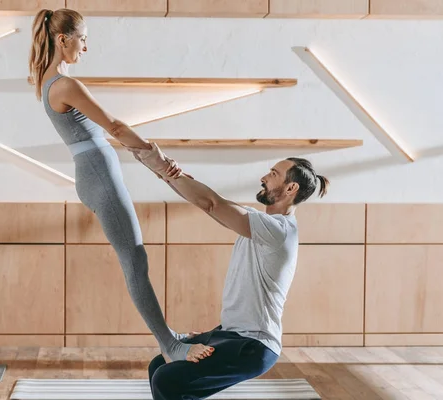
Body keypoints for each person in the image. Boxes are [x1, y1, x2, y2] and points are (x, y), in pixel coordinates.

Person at [28, 8, 214, 363]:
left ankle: (168, 336)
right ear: (62, 39)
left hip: (94, 172)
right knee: (134, 259)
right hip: (99, 174)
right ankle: (170, 345)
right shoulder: (66, 85)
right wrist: (156, 159)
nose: (86, 48)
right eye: (82, 39)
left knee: (134, 257)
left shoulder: (48, 80)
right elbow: (113, 126)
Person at [128, 143, 329, 400]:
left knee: (168, 380)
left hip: (254, 345)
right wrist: (164, 172)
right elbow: (210, 204)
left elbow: (212, 204)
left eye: (273, 174)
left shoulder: (278, 231)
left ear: (291, 188)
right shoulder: (260, 224)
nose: (264, 178)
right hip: (230, 333)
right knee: (161, 363)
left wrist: (163, 168)